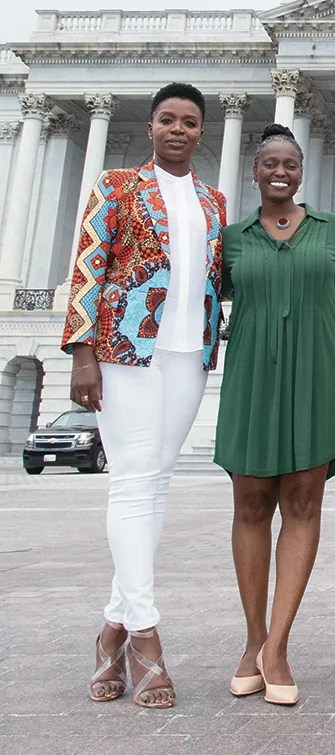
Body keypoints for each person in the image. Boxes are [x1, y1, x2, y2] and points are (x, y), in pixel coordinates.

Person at [61, 82, 227, 709]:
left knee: (155, 482)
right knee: (132, 479)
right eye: (167, 120)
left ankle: (111, 629)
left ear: (201, 131)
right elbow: (89, 263)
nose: (178, 129)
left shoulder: (212, 200)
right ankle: (146, 637)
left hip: (188, 354)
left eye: (189, 121)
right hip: (124, 350)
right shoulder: (116, 186)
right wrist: (82, 351)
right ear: (152, 127)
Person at [214, 124, 335, 706]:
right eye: (270, 163)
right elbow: (206, 298)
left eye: (291, 164)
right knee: (251, 503)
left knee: (303, 501)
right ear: (255, 172)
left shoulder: (332, 231)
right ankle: (253, 641)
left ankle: (277, 647)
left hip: (316, 375)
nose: (281, 172)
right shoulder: (231, 238)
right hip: (251, 374)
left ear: (302, 173)